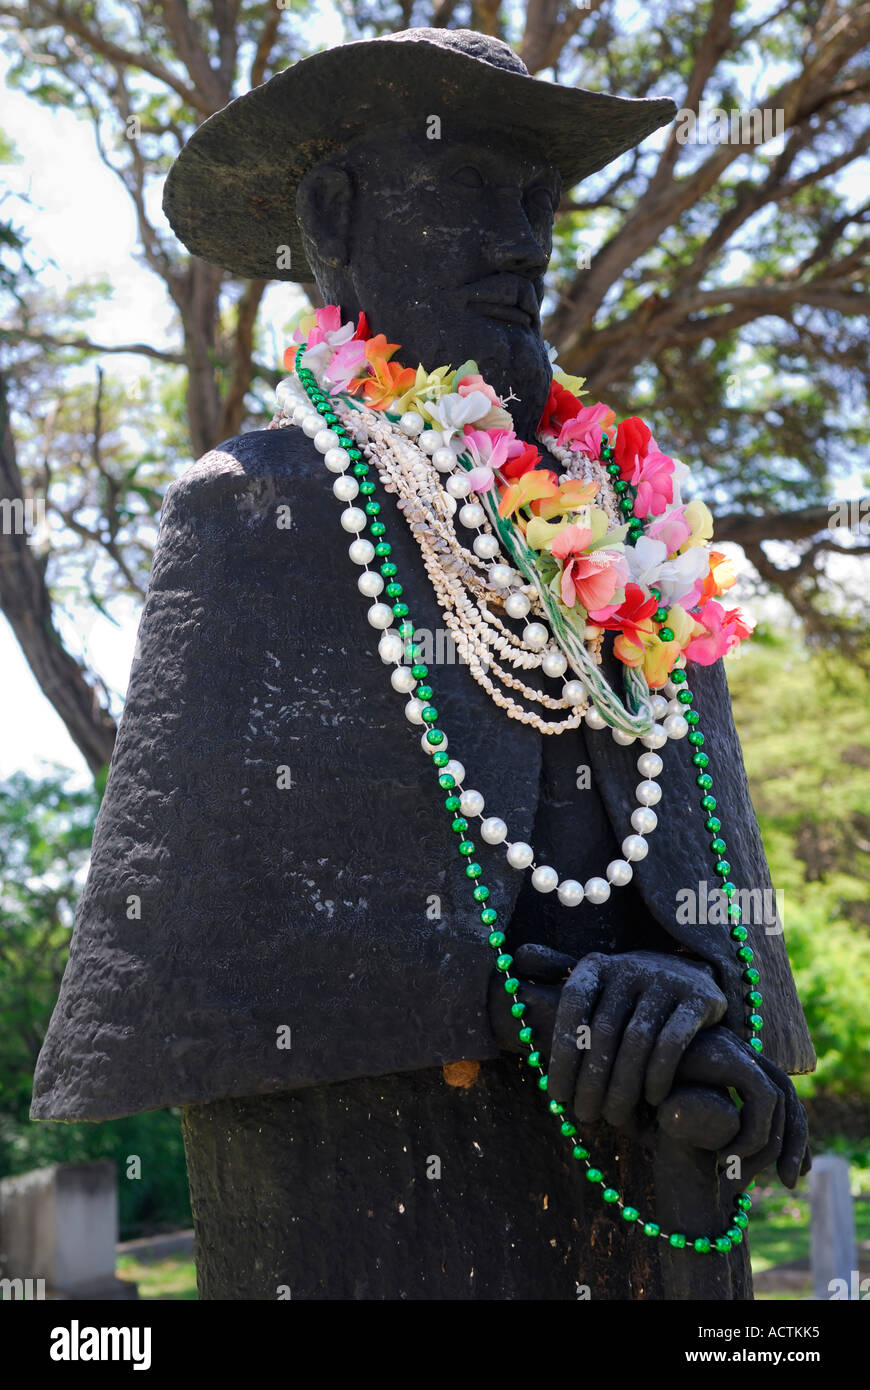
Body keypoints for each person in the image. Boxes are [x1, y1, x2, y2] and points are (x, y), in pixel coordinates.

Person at [32, 28, 813, 1301]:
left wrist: (704, 1018)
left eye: (536, 202)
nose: (524, 242)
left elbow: (724, 928)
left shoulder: (637, 532)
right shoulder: (260, 508)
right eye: (471, 195)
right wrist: (544, 1006)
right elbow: (231, 969)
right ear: (336, 217)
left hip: (672, 1219)